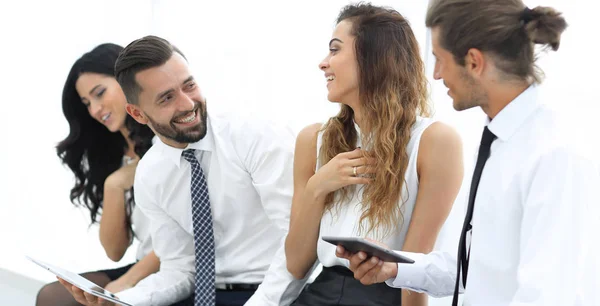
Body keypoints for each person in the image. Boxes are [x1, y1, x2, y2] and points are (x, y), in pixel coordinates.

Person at [338, 1, 600, 305]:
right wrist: (395, 267)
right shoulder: (498, 143)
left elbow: (546, 295)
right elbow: (478, 270)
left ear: (474, 62)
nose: (435, 75)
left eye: (439, 59)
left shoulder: (554, 154)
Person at [58, 35, 308, 306]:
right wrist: (122, 300)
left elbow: (296, 241)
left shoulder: (254, 135)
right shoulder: (151, 173)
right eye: (166, 98)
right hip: (204, 292)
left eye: (189, 86)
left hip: (273, 288)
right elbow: (179, 269)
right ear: (138, 114)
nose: (187, 104)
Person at [285, 3, 464, 306]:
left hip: (386, 297)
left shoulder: (434, 141)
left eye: (335, 50)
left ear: (373, 59)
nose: (323, 63)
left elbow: (415, 269)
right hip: (318, 295)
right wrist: (318, 185)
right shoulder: (312, 140)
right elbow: (296, 263)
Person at [36, 43, 158, 306]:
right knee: (53, 297)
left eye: (99, 93)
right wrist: (114, 185)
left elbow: (191, 238)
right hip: (143, 265)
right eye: (87, 103)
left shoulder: (167, 141)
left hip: (178, 265)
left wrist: (126, 282)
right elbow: (114, 251)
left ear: (127, 80)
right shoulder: (114, 155)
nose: (94, 109)